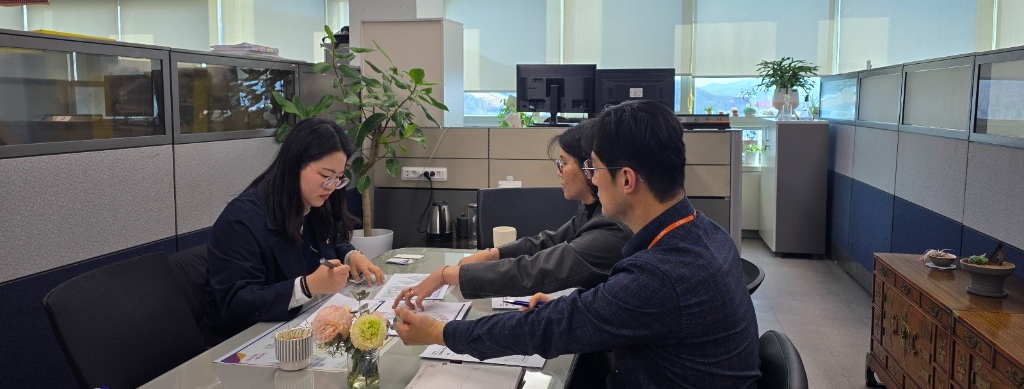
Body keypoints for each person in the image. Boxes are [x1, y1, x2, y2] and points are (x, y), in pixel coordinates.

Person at [394, 100, 759, 388]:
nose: (593, 181)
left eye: (595, 169)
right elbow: (625, 308)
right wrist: (582, 305)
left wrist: (441, 332)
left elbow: (548, 328)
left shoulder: (661, 273)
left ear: (627, 179)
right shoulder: (703, 231)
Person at [393, 120, 631, 308]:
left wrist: (448, 275)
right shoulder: (592, 209)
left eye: (563, 163)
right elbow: (550, 242)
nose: (559, 172)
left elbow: (537, 269)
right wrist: (492, 254)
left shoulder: (611, 226)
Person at [202, 117, 385, 344]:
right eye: (325, 176)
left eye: (338, 178)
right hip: (245, 342)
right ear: (296, 164)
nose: (331, 186)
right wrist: (307, 287)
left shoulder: (314, 199)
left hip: (300, 328)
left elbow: (329, 237)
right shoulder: (241, 221)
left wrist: (350, 254)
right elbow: (237, 305)